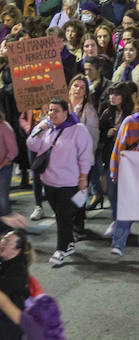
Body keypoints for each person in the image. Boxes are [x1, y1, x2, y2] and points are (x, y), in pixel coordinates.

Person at [25, 98, 93, 269]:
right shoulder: (46, 128)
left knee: (63, 217)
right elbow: (31, 145)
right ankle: (69, 242)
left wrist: (83, 177)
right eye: (50, 110)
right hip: (48, 181)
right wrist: (40, 129)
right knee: (60, 215)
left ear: (65, 112)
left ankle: (60, 250)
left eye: (56, 111)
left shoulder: (78, 130)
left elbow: (85, 156)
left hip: (69, 183)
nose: (52, 114)